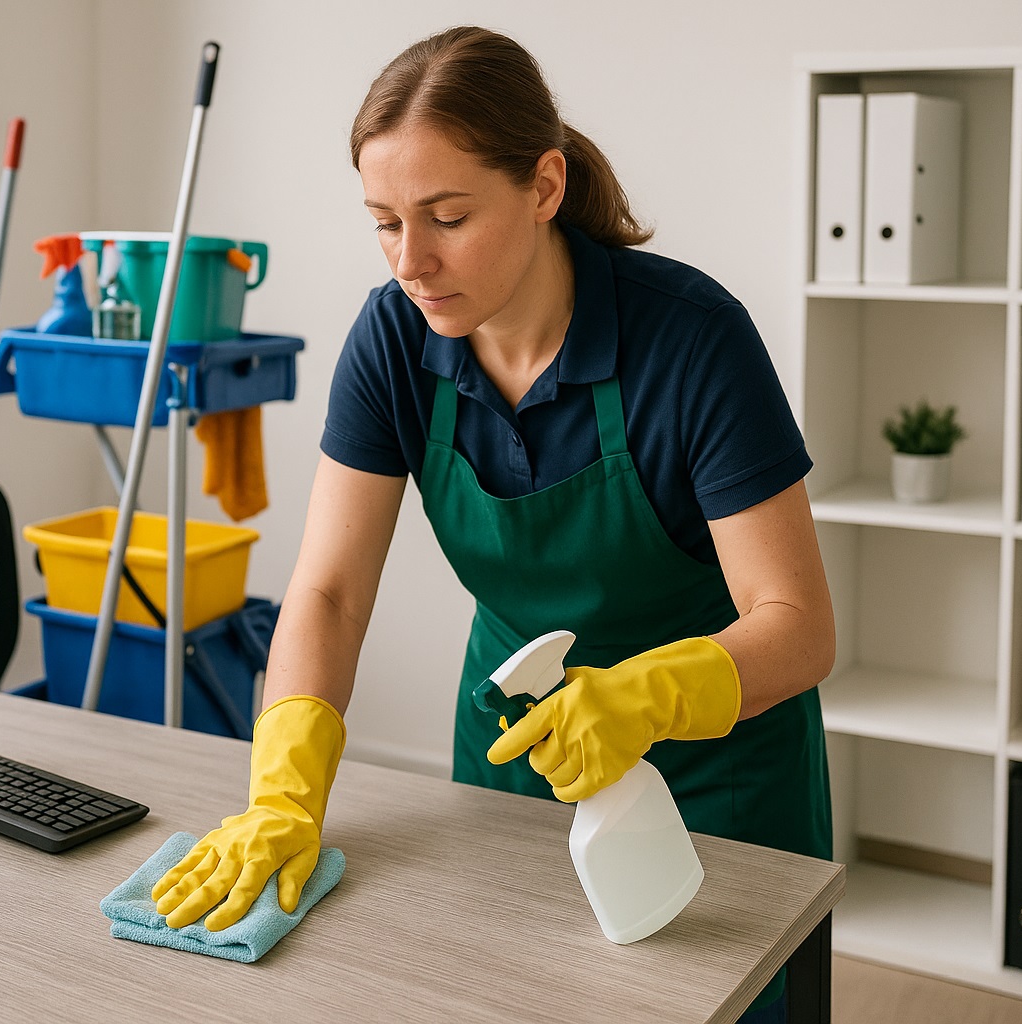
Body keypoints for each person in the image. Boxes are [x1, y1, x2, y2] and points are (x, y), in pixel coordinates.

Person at [152, 25, 834, 1022]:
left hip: (715, 780)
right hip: (518, 766)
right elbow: (331, 591)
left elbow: (799, 623)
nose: (412, 261)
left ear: (545, 186)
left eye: (447, 217)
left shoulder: (690, 341)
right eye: (385, 222)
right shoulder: (394, 340)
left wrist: (644, 697)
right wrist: (284, 792)